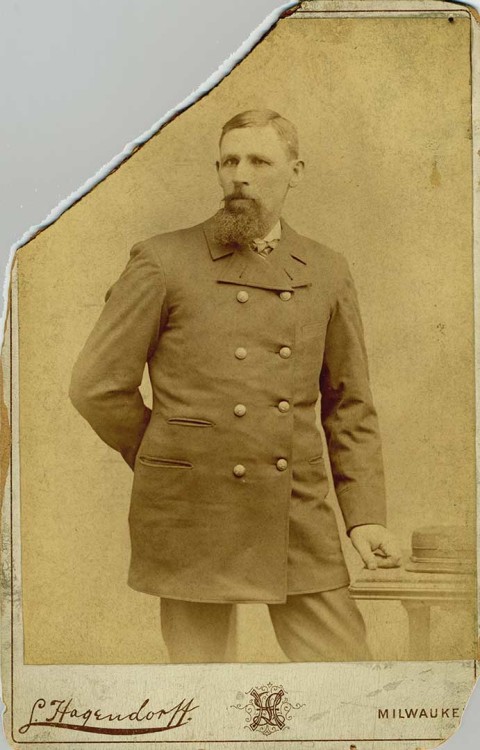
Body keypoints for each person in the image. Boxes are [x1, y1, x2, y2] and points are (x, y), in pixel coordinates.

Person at [69, 108, 401, 663]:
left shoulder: (326, 269)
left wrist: (364, 516)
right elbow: (95, 385)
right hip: (195, 507)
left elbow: (349, 404)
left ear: (296, 170)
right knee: (201, 695)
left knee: (347, 679)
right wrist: (164, 451)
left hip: (296, 504)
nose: (240, 174)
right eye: (229, 161)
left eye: (259, 160)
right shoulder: (162, 260)